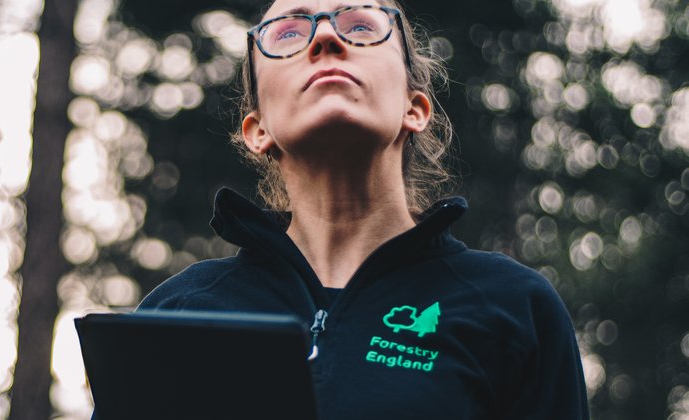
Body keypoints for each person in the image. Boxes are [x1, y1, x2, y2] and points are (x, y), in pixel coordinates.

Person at [136, 0, 591, 418]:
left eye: (360, 25)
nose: (325, 38)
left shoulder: (513, 307)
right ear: (257, 130)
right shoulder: (179, 315)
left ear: (415, 108)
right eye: (288, 33)